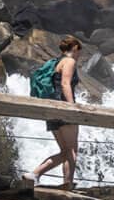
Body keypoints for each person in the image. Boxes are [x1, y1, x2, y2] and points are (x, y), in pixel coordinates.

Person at [23, 35, 82, 189]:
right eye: (79, 51)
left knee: (66, 151)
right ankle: (35, 174)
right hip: (64, 108)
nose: (79, 55)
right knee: (71, 150)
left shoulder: (55, 62)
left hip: (52, 109)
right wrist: (71, 107)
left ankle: (66, 183)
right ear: (74, 48)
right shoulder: (69, 61)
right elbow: (65, 84)